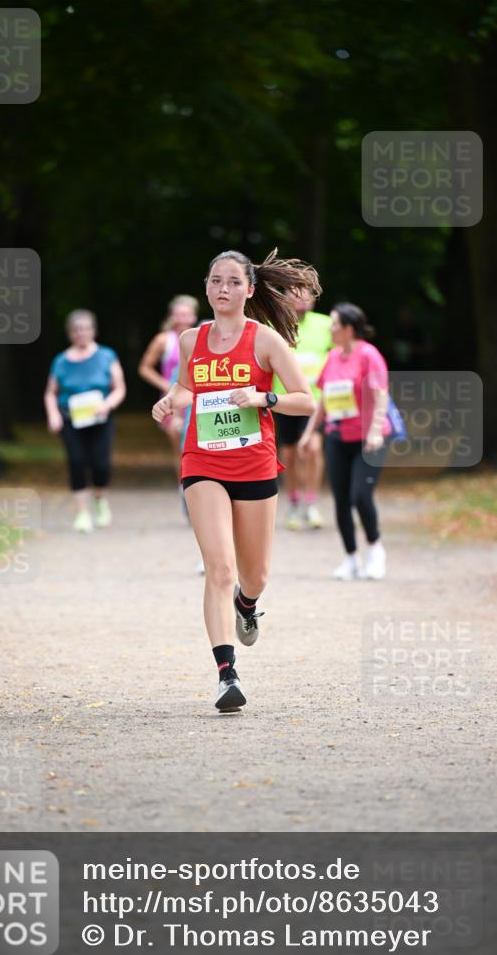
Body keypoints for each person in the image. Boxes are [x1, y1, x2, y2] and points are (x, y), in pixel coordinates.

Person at [152, 248, 319, 712]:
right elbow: (188, 385)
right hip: (202, 460)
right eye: (215, 281)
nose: (222, 289)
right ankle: (227, 674)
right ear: (206, 287)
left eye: (232, 282)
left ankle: (248, 605)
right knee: (219, 568)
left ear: (249, 289)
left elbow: (305, 400)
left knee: (254, 574)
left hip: (255, 464)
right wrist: (172, 400)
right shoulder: (192, 339)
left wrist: (263, 397)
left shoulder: (265, 341)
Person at [298, 303, 390, 580]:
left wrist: (374, 430)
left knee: (360, 496)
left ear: (349, 329)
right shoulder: (333, 357)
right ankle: (350, 558)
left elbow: (380, 394)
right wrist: (309, 433)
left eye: (335, 324)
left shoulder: (368, 355)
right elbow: (323, 399)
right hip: (338, 436)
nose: (330, 328)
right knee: (340, 501)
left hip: (369, 440)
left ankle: (375, 549)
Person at [44, 309, 126, 533]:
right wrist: (53, 414)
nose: (81, 333)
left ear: (94, 331)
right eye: (76, 330)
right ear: (70, 333)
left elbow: (119, 388)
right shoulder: (61, 361)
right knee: (76, 462)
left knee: (101, 464)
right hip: (71, 420)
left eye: (86, 329)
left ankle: (100, 499)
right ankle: (81, 512)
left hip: (100, 418)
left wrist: (107, 404)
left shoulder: (107, 355)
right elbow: (51, 392)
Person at [272, 286, 332, 530]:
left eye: (306, 296)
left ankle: (311, 503)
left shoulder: (326, 325)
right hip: (284, 399)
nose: (301, 301)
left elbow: (337, 358)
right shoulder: (274, 324)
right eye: (295, 296)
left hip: (316, 401)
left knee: (313, 449)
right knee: (290, 454)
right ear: (284, 299)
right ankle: (294, 504)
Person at [138, 295, 199, 480]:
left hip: (198, 399)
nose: (182, 319)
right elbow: (144, 368)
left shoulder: (202, 337)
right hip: (173, 401)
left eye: (186, 315)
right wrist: (166, 384)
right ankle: (184, 489)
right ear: (171, 316)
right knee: (180, 449)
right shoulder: (163, 340)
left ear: (194, 317)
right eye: (178, 315)